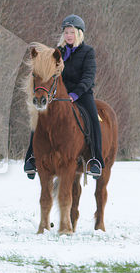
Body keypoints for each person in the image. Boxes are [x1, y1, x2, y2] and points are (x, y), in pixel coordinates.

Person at [24, 14, 104, 178]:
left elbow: (88, 77)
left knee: (94, 119)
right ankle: (31, 158)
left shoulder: (88, 52)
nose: (68, 35)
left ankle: (96, 160)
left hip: (81, 94)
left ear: (79, 34)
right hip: (58, 94)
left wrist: (75, 94)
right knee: (39, 117)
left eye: (72, 32)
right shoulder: (56, 52)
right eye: (66, 32)